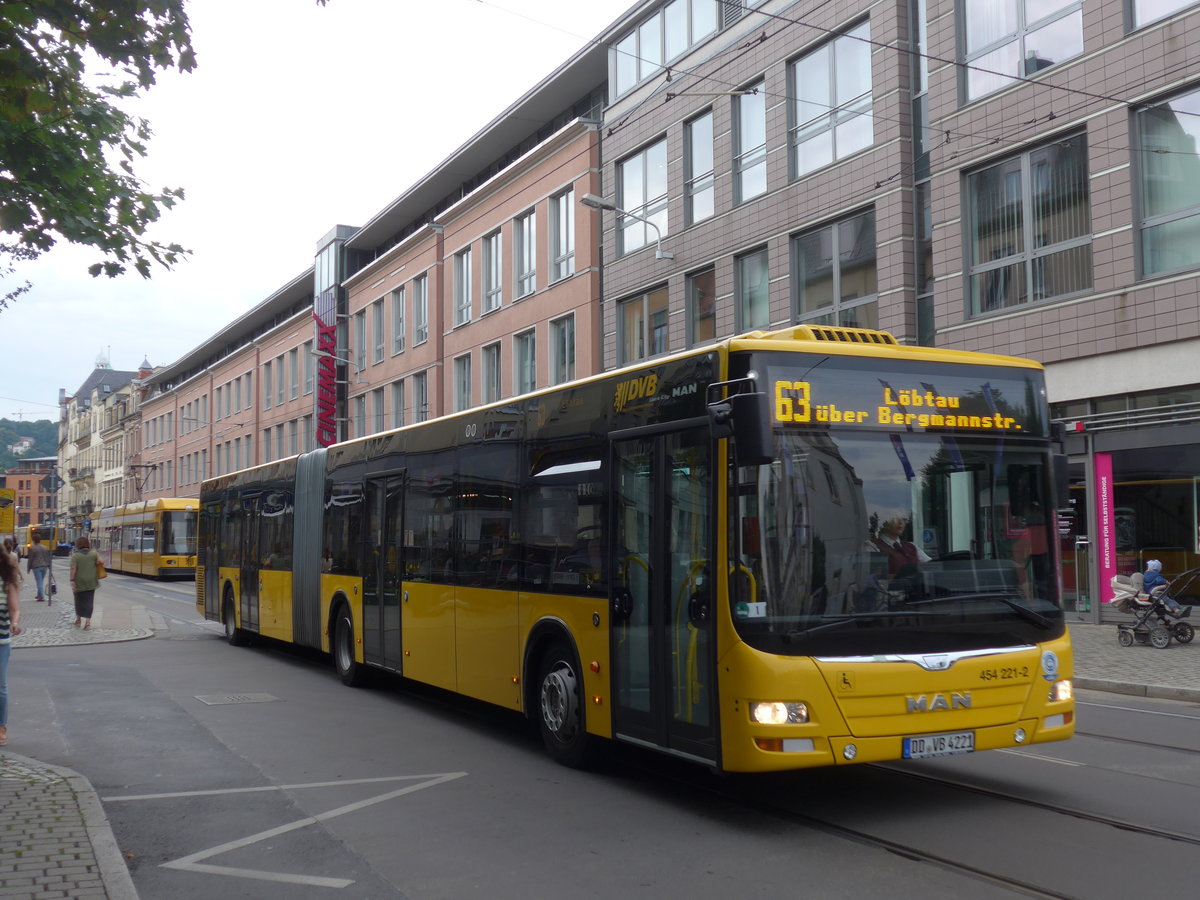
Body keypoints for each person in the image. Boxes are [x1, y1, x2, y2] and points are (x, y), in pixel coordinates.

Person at [1, 541, 23, 746]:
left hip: (1, 641)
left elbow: (15, 609)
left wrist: (15, 623)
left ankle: (1, 726)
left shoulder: (6, 582)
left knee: (0, 685)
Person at [69, 535, 101, 630]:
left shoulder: (76, 556)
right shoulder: (94, 554)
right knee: (89, 601)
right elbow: (101, 561)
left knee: (78, 600)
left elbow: (73, 568)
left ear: (78, 545)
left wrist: (72, 580)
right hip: (91, 581)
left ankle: (78, 620)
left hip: (79, 581)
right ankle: (88, 622)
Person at [26, 533, 52, 602]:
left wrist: (28, 568)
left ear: (33, 540)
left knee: (39, 582)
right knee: (40, 581)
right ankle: (39, 595)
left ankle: (42, 596)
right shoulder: (45, 547)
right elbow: (48, 557)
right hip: (44, 567)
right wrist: (49, 565)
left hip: (36, 567)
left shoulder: (33, 548)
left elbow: (30, 559)